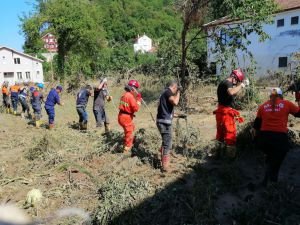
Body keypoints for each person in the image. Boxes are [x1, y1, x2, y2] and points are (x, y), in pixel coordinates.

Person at [253, 88, 300, 186]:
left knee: (270, 154)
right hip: (279, 138)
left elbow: (256, 126)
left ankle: (269, 168)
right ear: (280, 96)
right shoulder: (286, 104)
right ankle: (272, 179)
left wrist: (256, 140)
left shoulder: (262, 106)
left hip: (263, 138)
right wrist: (299, 100)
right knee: (281, 152)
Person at [213, 69, 249, 158]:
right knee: (230, 134)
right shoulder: (228, 83)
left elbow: (232, 93)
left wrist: (239, 86)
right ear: (234, 78)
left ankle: (217, 154)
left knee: (220, 134)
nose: (236, 84)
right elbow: (232, 92)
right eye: (237, 81)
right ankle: (230, 158)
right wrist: (243, 85)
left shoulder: (223, 83)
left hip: (220, 112)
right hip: (226, 113)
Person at [156, 81, 180, 172]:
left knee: (165, 141)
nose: (174, 93)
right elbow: (175, 102)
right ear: (174, 87)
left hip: (161, 120)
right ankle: (165, 166)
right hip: (164, 123)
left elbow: (164, 109)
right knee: (167, 144)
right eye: (176, 90)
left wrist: (177, 115)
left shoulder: (164, 93)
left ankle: (162, 156)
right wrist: (178, 93)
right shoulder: (168, 92)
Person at [118, 80, 142, 154]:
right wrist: (138, 100)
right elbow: (136, 108)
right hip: (126, 117)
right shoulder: (130, 96)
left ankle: (130, 141)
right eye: (136, 89)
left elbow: (128, 106)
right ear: (133, 88)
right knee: (129, 132)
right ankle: (127, 149)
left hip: (121, 116)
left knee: (132, 128)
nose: (136, 91)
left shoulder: (124, 95)